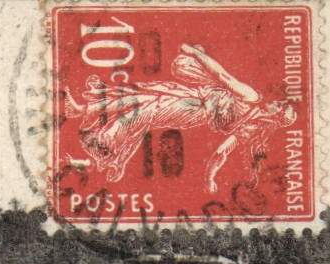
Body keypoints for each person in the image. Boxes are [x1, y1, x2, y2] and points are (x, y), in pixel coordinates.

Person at [64, 44, 297, 192]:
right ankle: (82, 111)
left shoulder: (252, 97)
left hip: (194, 106)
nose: (276, 101)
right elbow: (221, 154)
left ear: (275, 114)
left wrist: (195, 54)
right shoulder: (250, 127)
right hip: (192, 98)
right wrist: (210, 180)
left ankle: (106, 143)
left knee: (145, 109)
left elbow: (222, 75)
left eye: (279, 105)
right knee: (141, 96)